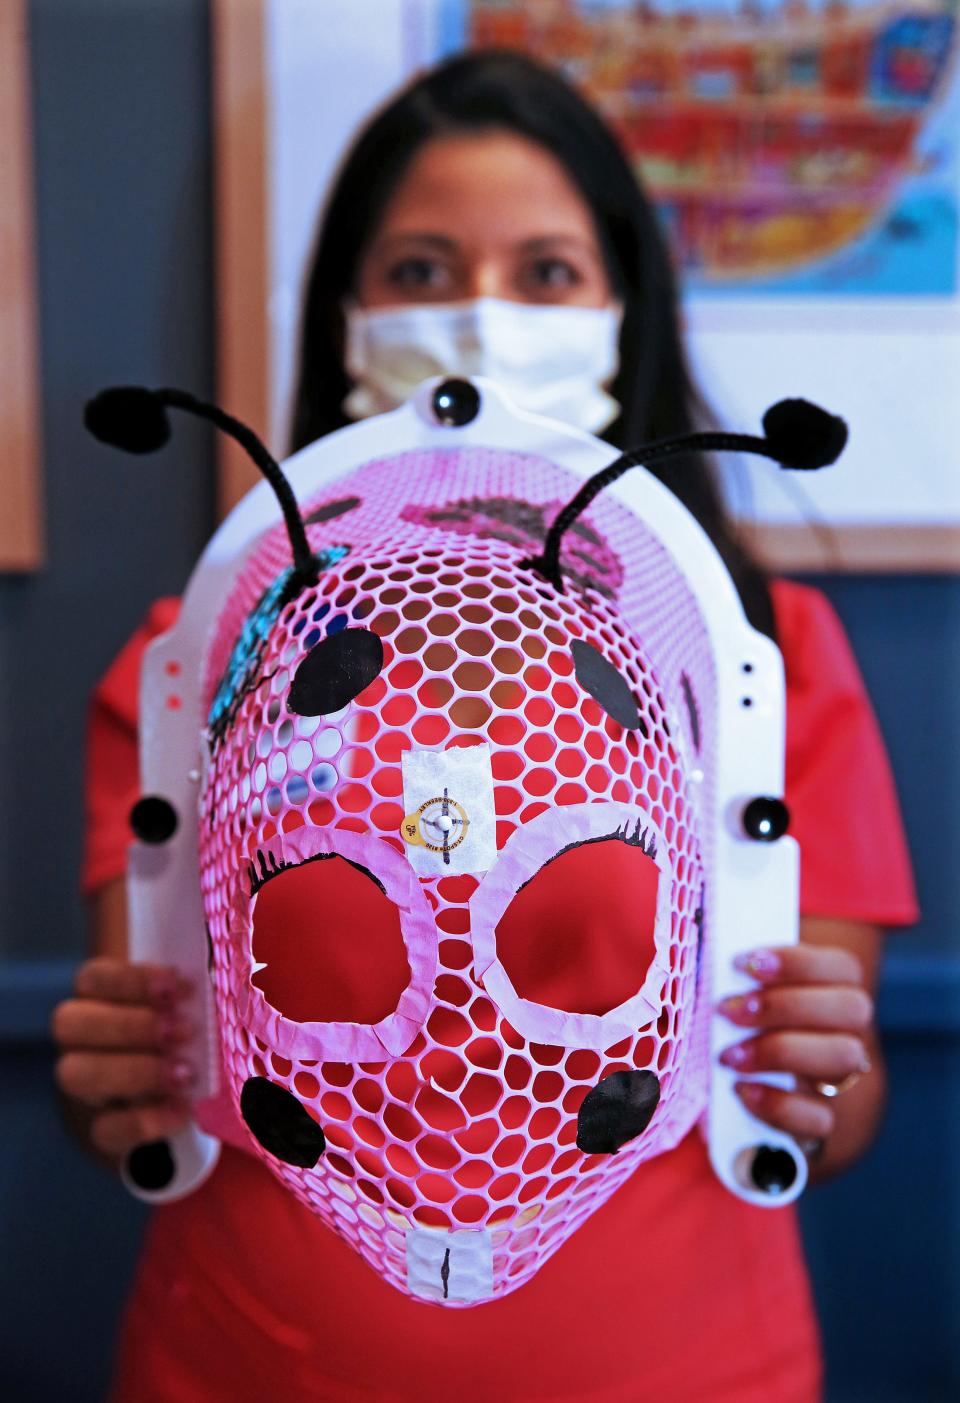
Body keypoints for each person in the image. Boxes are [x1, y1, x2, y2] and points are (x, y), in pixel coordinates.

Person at [53, 51, 917, 1402]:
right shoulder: (200, 663)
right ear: (345, 319)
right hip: (249, 1366)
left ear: (624, 313)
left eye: (549, 273)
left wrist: (811, 1070)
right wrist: (112, 1080)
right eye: (418, 272)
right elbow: (141, 1089)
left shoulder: (771, 662)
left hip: (687, 1370)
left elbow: (829, 1104)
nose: (478, 322)